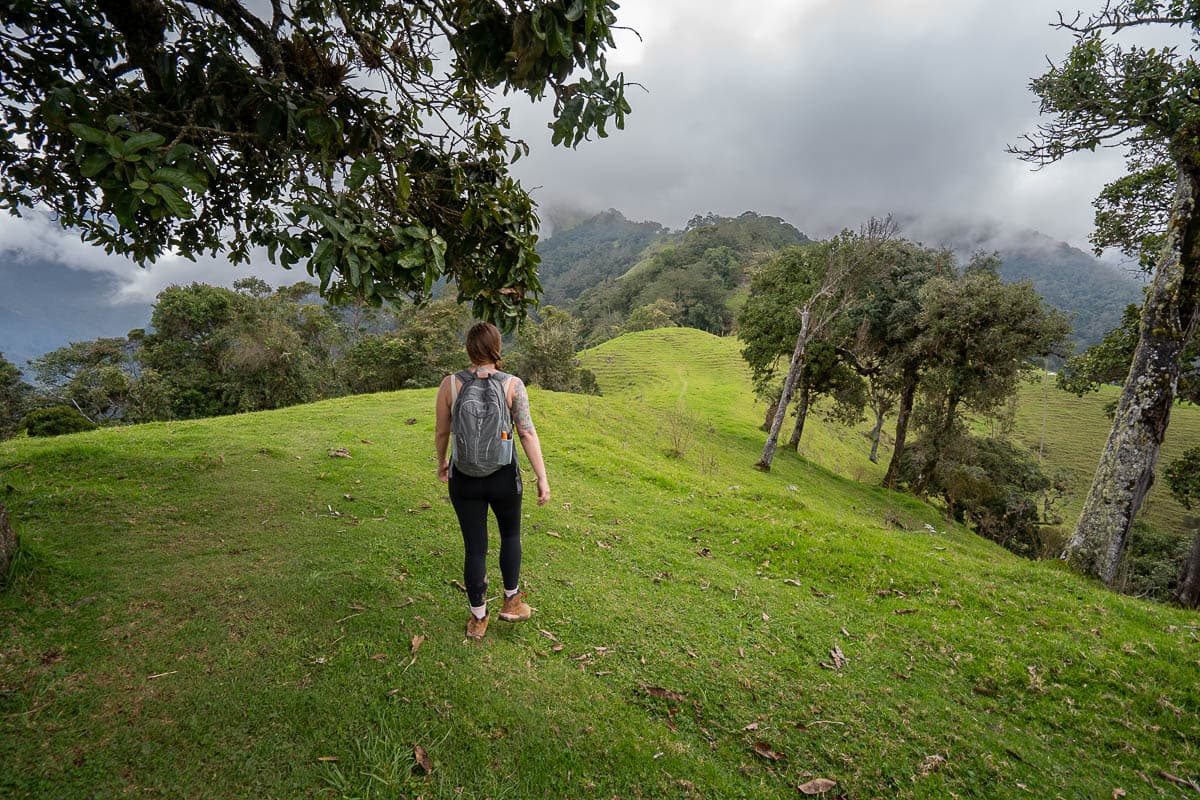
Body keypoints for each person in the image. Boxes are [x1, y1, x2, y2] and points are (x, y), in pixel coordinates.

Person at [435, 321, 551, 640]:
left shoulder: (450, 385)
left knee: (475, 548)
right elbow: (526, 432)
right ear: (497, 348)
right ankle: (511, 602)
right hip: (503, 476)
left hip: (465, 477)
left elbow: (442, 430)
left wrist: (443, 462)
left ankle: (478, 619)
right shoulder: (513, 384)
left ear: (469, 349)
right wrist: (542, 477)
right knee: (510, 534)